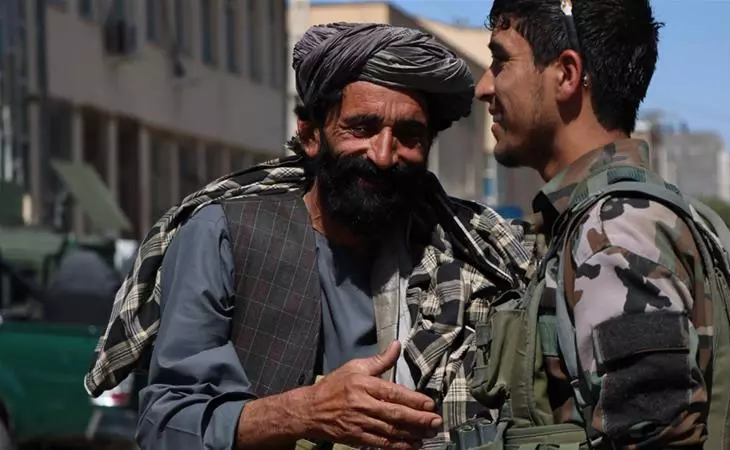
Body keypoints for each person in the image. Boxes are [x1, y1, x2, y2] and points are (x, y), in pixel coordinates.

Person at [84, 23, 535, 450]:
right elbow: (166, 425)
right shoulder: (226, 235)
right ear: (311, 135)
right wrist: (304, 412)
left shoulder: (463, 257)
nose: (382, 154)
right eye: (362, 128)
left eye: (408, 135)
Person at [474, 0, 712, 447]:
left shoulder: (613, 232)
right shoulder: (607, 218)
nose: (484, 87)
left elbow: (656, 438)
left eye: (501, 61)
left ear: (566, 74)